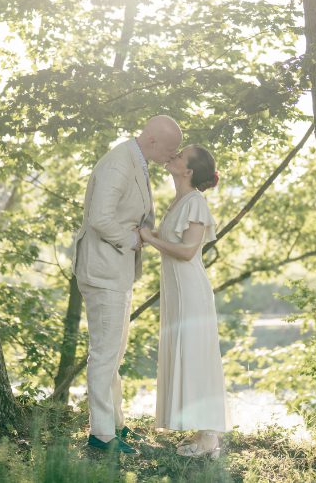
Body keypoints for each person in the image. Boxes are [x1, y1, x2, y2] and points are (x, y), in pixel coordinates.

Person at [71, 115, 182, 454]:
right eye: (170, 149)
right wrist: (133, 241)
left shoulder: (136, 159)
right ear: (152, 141)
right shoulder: (119, 164)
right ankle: (102, 436)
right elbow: (99, 218)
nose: (172, 156)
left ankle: (116, 424)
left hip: (115, 271)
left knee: (114, 352)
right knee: (104, 354)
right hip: (103, 270)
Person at [139, 144, 229, 459]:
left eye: (180, 156)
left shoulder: (196, 203)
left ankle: (209, 440)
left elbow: (188, 251)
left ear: (188, 171)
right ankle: (202, 434)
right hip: (177, 292)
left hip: (191, 290)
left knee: (197, 355)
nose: (174, 155)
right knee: (186, 354)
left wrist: (150, 239)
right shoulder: (179, 201)